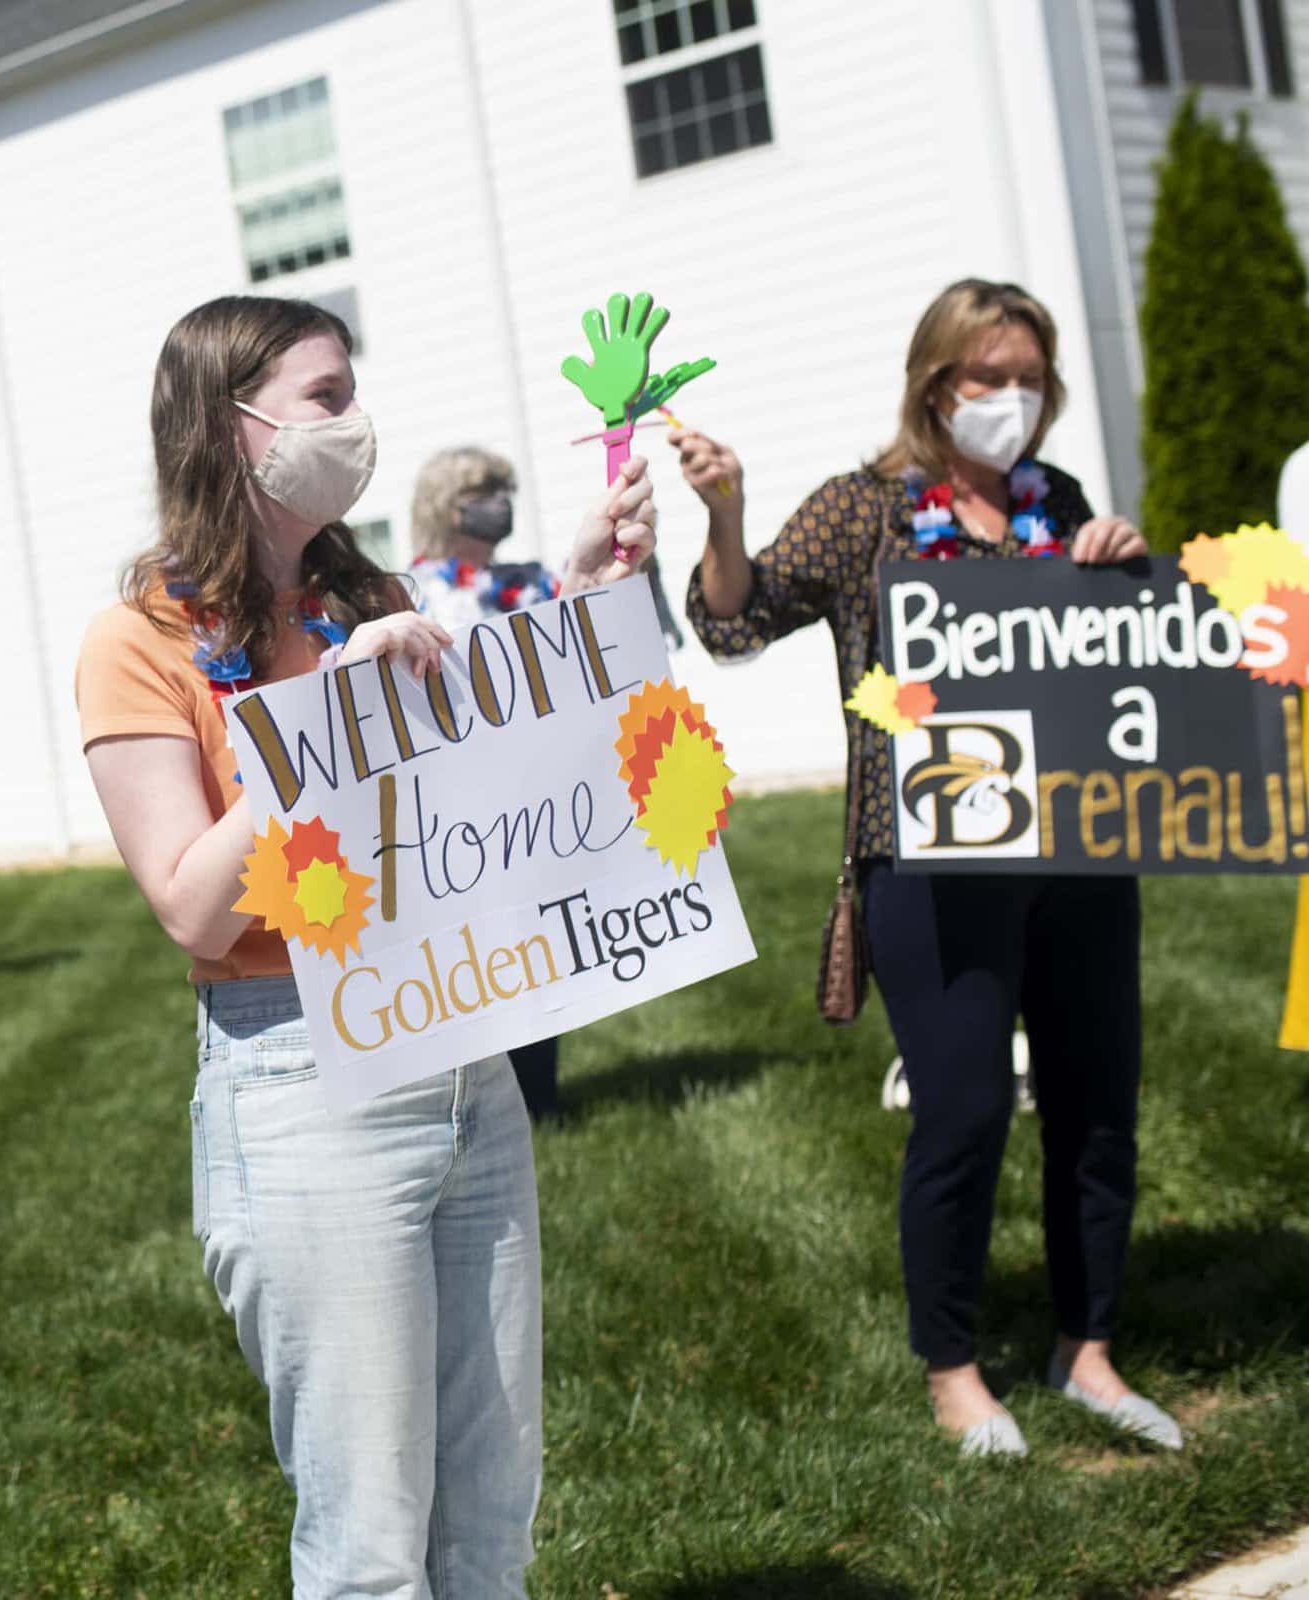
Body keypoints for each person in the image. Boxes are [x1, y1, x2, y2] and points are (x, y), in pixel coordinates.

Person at [76, 295, 656, 1596]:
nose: (356, 420)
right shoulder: (139, 645)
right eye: (327, 395)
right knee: (372, 1550)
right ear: (232, 427)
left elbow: (488, 782)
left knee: (490, 1514)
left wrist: (586, 601)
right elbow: (192, 902)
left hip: (460, 1062)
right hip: (299, 1087)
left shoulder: (372, 594)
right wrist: (330, 712)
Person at [682, 278, 1176, 1459]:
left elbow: (1120, 656)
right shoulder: (867, 511)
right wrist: (727, 514)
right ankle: (953, 1367)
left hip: (1079, 841)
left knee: (1098, 1103)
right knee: (960, 1110)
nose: (1008, 399)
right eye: (984, 378)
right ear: (934, 384)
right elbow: (735, 627)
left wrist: (1125, 564)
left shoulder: (1057, 501)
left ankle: (1088, 1347)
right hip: (929, 855)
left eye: (1027, 379)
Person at [404, 446, 568, 1120]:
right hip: (445, 796)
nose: (499, 502)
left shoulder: (531, 582)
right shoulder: (404, 592)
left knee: (538, 941)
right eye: (483, 490)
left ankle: (538, 1099)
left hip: (529, 785)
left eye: (504, 489)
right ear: (448, 504)